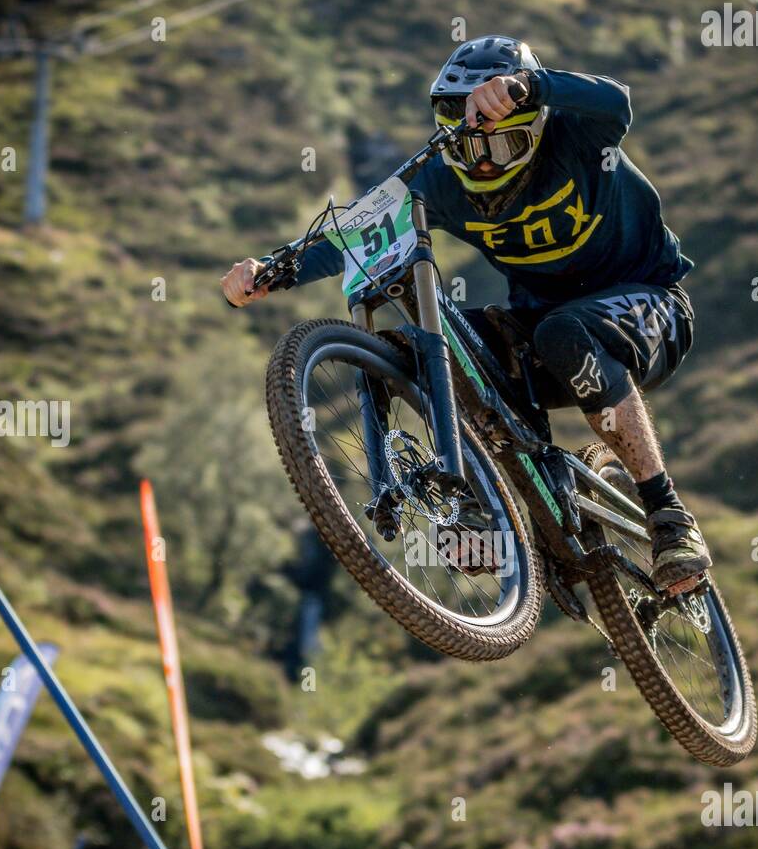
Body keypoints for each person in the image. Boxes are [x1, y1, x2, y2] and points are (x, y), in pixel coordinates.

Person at [222, 35, 708, 595]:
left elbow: (617, 102)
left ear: (534, 127)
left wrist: (532, 85)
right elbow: (350, 235)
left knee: (564, 331)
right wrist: (270, 272)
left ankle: (668, 516)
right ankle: (491, 503)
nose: (481, 163)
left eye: (501, 149)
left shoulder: (578, 136)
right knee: (444, 348)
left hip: (650, 303)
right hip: (544, 331)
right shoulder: (441, 177)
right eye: (468, 147)